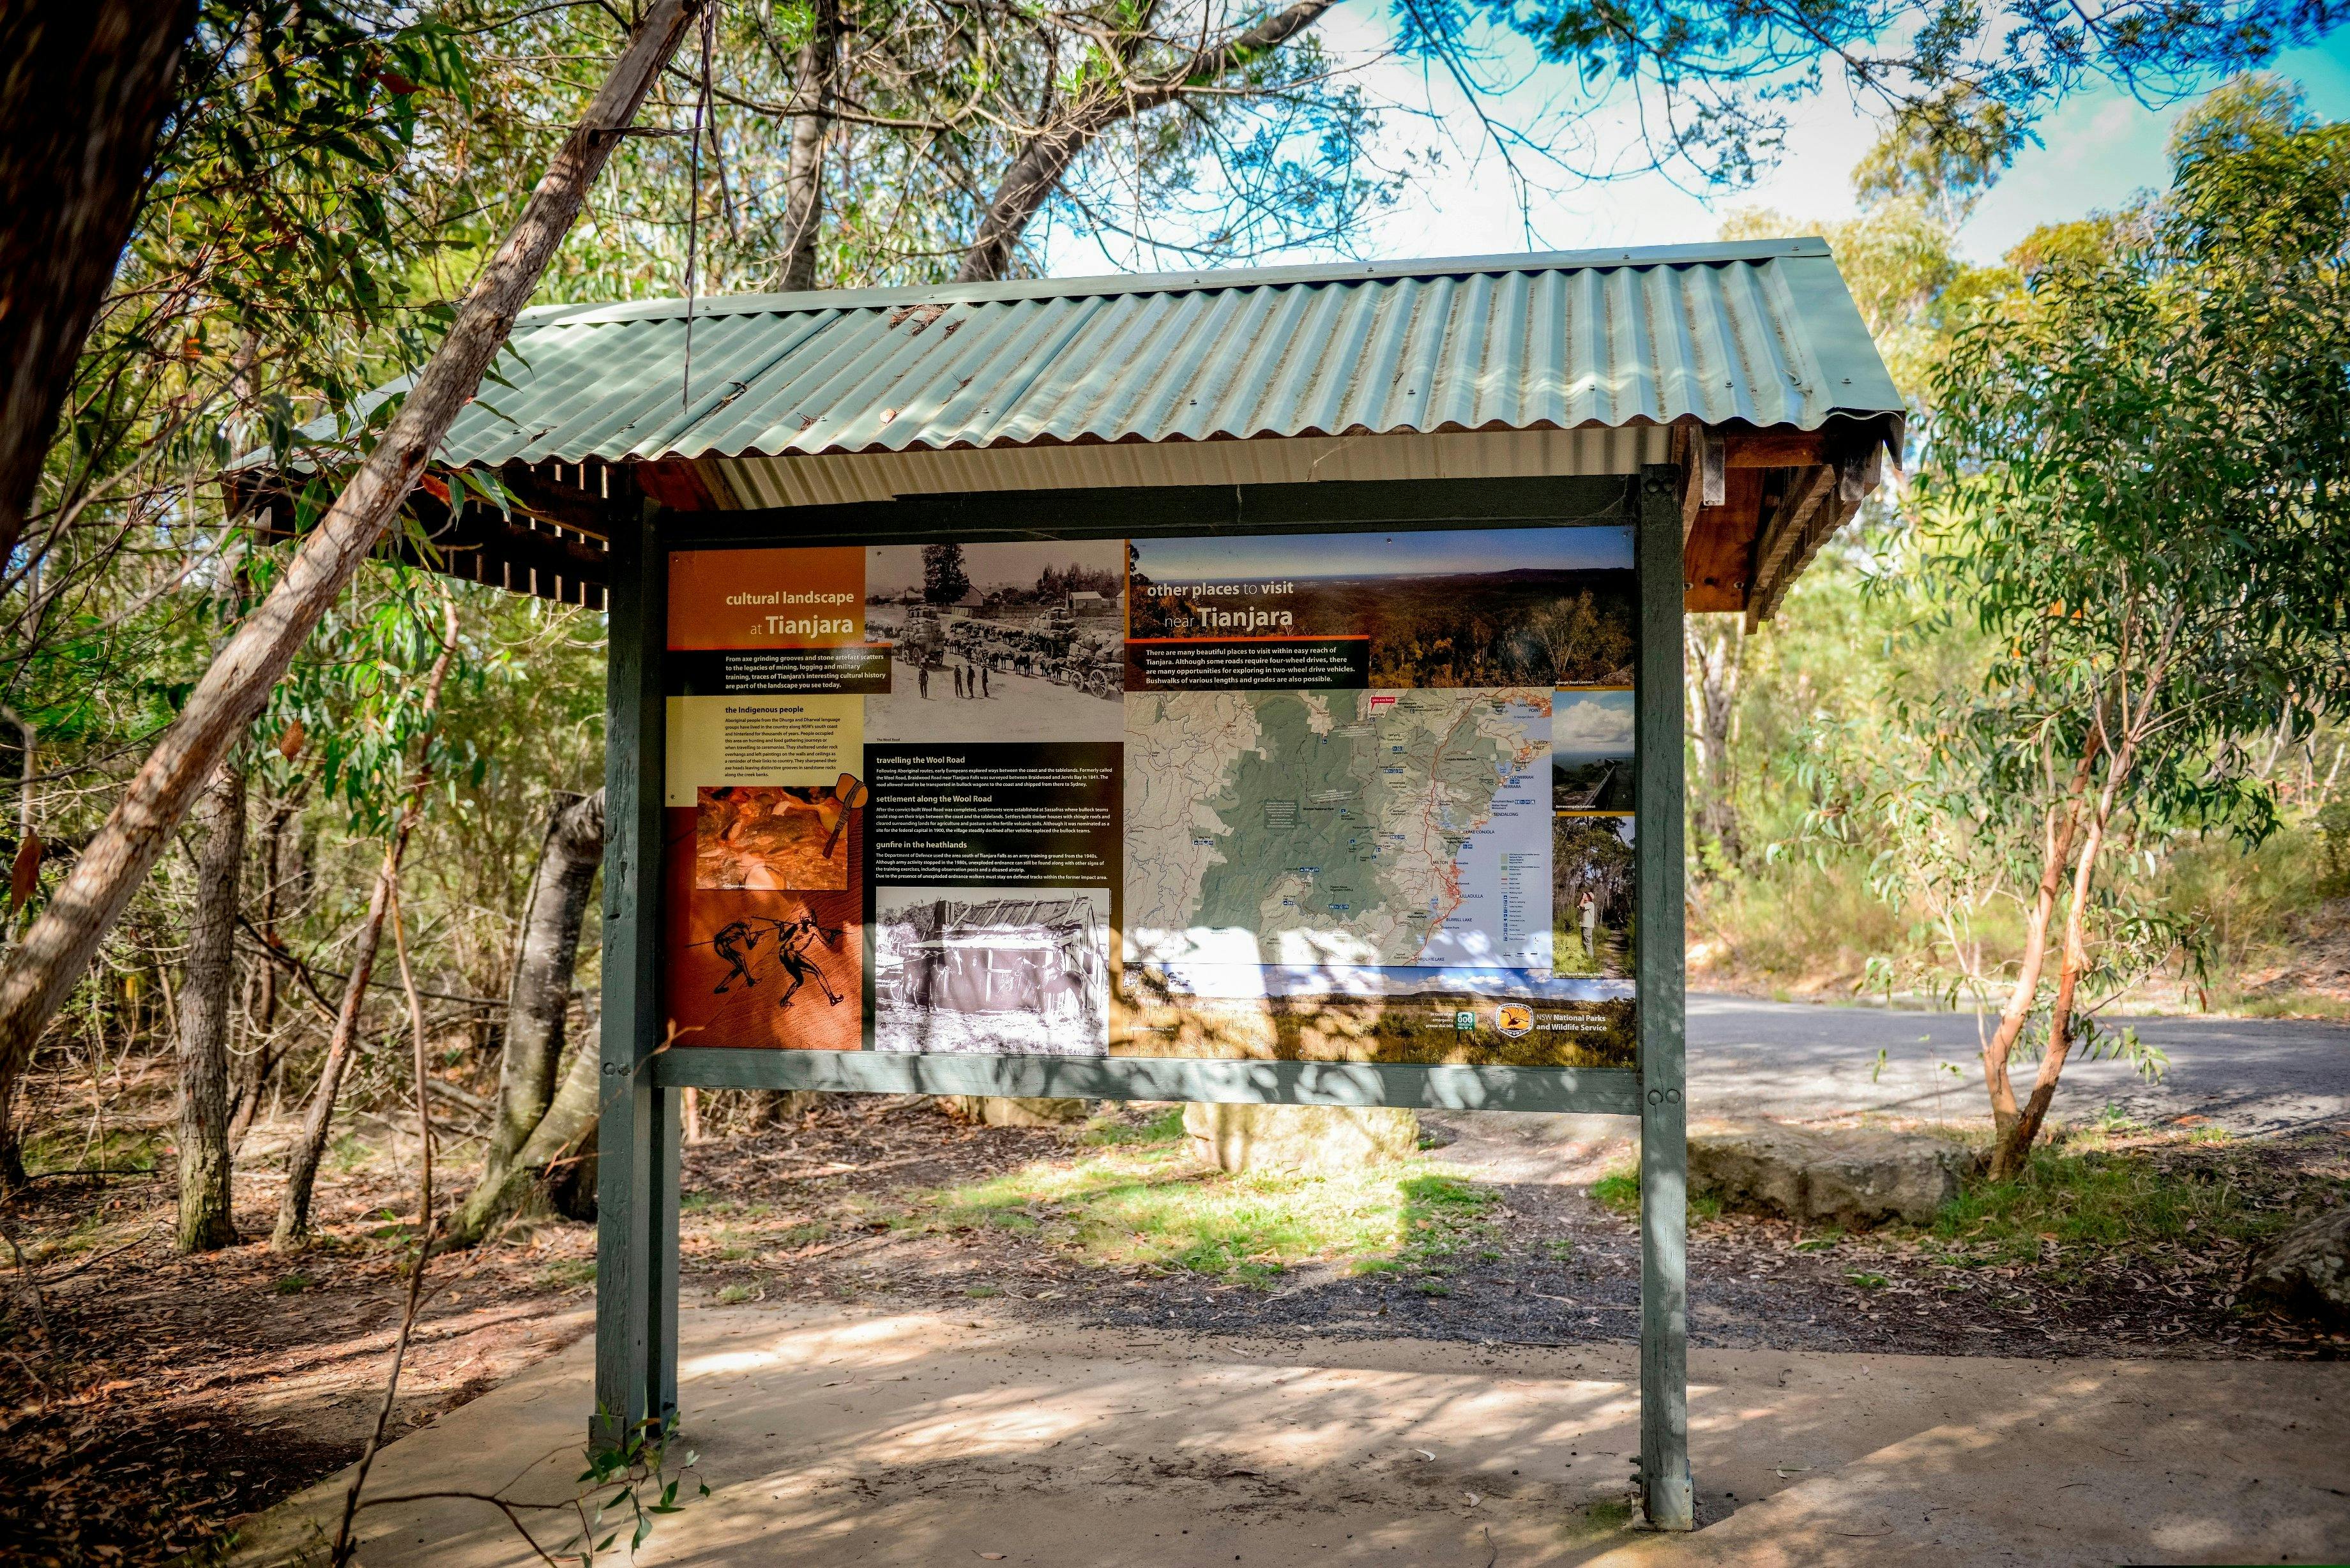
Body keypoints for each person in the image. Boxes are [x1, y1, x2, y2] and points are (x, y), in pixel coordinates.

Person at [766, 914, 844, 1009]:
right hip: (791, 954)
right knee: (818, 973)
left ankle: (784, 1001)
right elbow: (828, 944)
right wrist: (833, 935)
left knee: (800, 981)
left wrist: (781, 927)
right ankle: (832, 999)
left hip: (782, 954)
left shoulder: (797, 926)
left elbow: (782, 938)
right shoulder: (813, 928)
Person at [711, 919, 762, 993]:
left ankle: (749, 980)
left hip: (718, 945)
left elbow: (717, 936)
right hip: (723, 947)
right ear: (746, 924)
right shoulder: (745, 929)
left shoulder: (733, 925)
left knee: (741, 957)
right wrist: (757, 936)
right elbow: (750, 946)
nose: (751, 924)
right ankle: (719, 988)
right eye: (750, 923)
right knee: (739, 968)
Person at [1579, 891, 1599, 962]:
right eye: (1585, 896)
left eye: (1587, 896)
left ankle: (1590, 960)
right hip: (1584, 925)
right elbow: (1577, 906)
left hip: (1588, 926)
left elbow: (1581, 906)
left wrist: (1583, 898)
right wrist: (1582, 898)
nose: (1585, 897)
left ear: (1590, 898)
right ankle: (1586, 957)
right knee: (1584, 942)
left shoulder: (1591, 904)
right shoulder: (1585, 903)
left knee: (1587, 942)